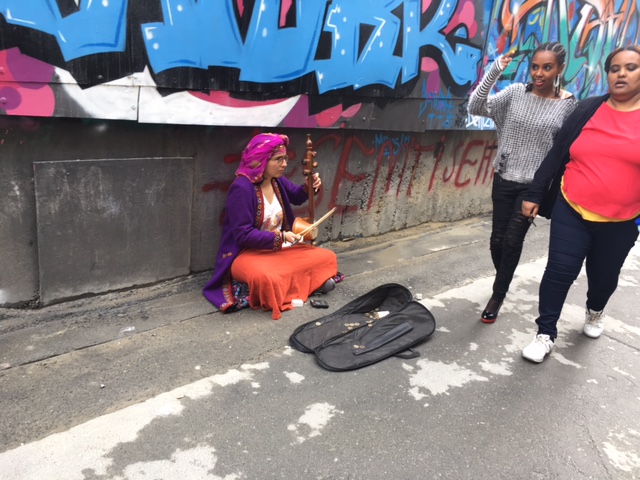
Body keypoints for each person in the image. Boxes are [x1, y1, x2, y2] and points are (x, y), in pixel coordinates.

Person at [520, 45, 640, 363]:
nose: (621, 74)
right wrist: (534, 193)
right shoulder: (587, 108)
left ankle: (595, 310)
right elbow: (558, 152)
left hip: (621, 221)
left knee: (604, 278)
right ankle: (545, 333)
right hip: (571, 208)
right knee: (559, 271)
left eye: (630, 67)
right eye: (615, 68)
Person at [468, 42, 577, 324]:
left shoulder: (568, 105)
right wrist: (494, 70)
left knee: (513, 241)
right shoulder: (516, 93)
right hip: (504, 177)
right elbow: (476, 106)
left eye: (547, 67)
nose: (539, 73)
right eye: (535, 67)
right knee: (497, 241)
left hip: (533, 187)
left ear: (560, 69)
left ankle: (498, 293)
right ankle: (504, 275)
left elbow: (563, 150)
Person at [202, 133, 340, 320]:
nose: (284, 164)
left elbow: (297, 196)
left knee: (326, 257)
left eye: (285, 158)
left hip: (279, 249)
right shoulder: (241, 188)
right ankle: (308, 285)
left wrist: (310, 186)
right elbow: (242, 235)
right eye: (278, 159)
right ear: (261, 160)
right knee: (268, 277)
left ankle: (296, 287)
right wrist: (282, 237)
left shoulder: (277, 180)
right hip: (245, 253)